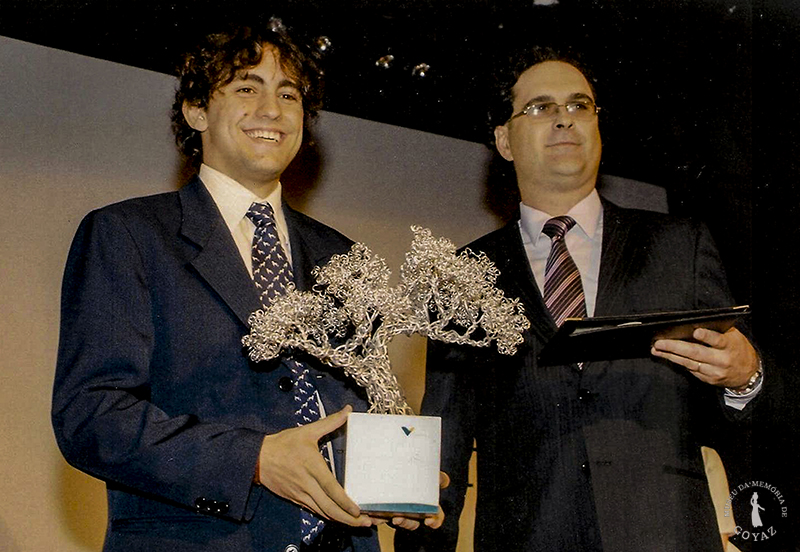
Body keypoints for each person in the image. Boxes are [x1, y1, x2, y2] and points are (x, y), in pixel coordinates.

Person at [52, 21, 429, 552]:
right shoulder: (128, 235)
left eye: (289, 95)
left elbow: (345, 410)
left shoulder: (343, 255)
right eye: (247, 88)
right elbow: (91, 416)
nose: (272, 110)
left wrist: (395, 478)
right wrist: (253, 459)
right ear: (196, 110)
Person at [395, 47, 762, 552]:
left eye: (579, 105)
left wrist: (746, 378)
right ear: (504, 141)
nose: (564, 118)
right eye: (541, 107)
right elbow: (446, 441)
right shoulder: (460, 275)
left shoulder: (681, 245)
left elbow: (745, 409)